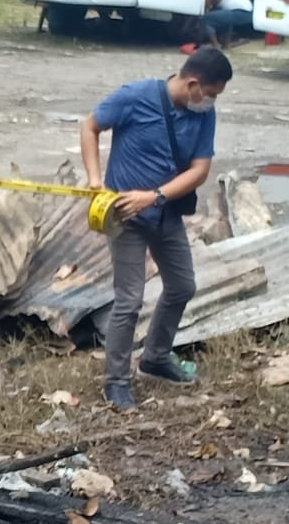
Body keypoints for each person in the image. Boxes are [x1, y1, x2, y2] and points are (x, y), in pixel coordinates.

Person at [81, 47, 233, 412]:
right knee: (129, 300)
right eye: (210, 94)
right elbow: (89, 126)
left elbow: (199, 170)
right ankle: (116, 382)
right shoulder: (135, 97)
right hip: (126, 218)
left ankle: (156, 358)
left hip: (165, 213)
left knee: (182, 286)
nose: (210, 102)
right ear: (193, 84)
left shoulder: (203, 116)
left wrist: (155, 197)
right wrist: (94, 180)